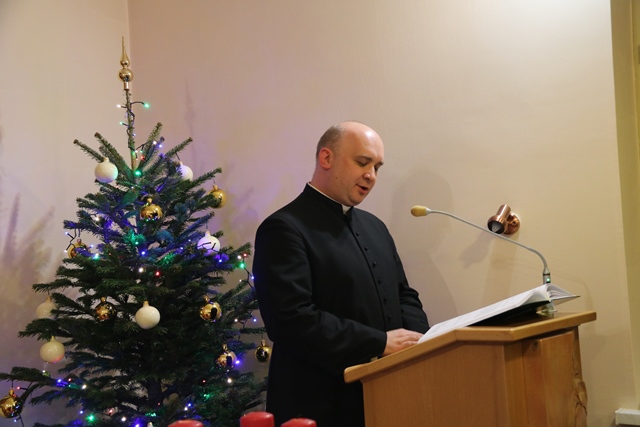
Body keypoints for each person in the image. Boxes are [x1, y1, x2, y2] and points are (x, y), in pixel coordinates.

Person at [253, 121, 429, 427]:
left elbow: (404, 294)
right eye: (362, 162)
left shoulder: (375, 226)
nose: (371, 175)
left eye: (377, 167)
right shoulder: (284, 228)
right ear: (326, 158)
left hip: (388, 391)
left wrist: (419, 340)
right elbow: (291, 320)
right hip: (319, 400)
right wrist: (378, 343)